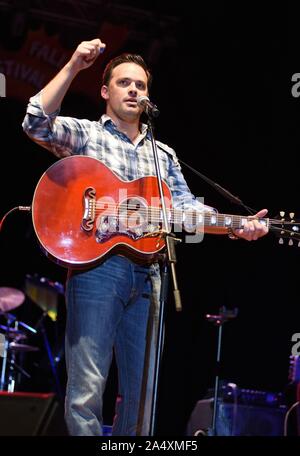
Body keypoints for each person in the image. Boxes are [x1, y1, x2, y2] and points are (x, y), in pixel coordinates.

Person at [22, 38, 269, 436]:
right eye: (124, 83)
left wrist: (238, 226)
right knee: (87, 390)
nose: (134, 90)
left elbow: (189, 211)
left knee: (143, 395)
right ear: (106, 92)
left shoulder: (164, 155)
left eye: (141, 85)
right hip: (97, 271)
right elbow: (35, 120)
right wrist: (73, 65)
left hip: (151, 274)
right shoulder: (88, 136)